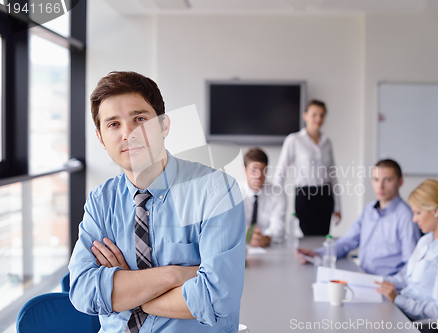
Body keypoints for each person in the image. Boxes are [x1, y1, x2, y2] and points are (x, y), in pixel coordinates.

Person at [68, 71, 246, 333]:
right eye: (113, 124)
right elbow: (84, 293)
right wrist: (175, 275)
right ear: (100, 138)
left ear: (163, 126)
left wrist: (128, 290)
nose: (128, 134)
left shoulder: (215, 191)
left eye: (140, 119)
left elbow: (216, 298)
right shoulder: (100, 201)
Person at [295, 159, 421, 276]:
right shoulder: (369, 210)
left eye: (387, 180)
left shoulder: (406, 216)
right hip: (363, 278)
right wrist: (317, 254)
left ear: (400, 182)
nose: (380, 186)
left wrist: (385, 282)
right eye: (376, 179)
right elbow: (346, 242)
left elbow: (410, 266)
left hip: (386, 285)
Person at [376, 179, 438, 322]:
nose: (414, 219)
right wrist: (377, 281)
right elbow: (408, 280)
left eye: (418, 213)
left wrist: (398, 299)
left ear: (436, 211)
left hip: (416, 322)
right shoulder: (425, 240)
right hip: (402, 311)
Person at [275, 100, 341, 236]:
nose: (318, 119)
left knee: (323, 237)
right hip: (305, 196)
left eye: (322, 115)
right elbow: (281, 171)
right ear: (305, 116)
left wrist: (338, 205)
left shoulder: (327, 142)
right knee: (310, 238)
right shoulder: (294, 140)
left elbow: (333, 174)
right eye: (314, 114)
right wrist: (274, 201)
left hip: (325, 195)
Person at [243, 148, 286, 247]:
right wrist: (248, 238)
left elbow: (278, 226)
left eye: (262, 169)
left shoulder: (277, 193)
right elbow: (232, 227)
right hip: (241, 248)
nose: (258, 175)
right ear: (245, 170)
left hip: (269, 248)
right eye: (254, 170)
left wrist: (266, 237)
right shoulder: (234, 193)